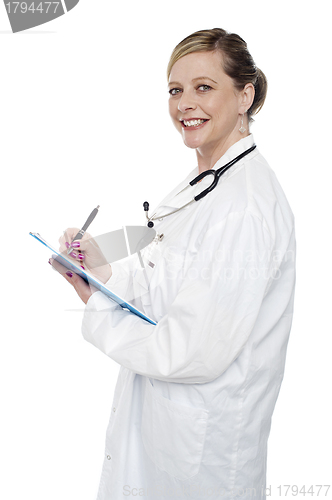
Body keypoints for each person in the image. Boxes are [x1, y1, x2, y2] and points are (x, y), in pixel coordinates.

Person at [50, 28, 296, 500]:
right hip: (166, 438)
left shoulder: (245, 206)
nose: (185, 103)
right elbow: (165, 276)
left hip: (204, 458)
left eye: (204, 87)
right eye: (175, 89)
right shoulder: (207, 184)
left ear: (245, 95)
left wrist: (99, 309)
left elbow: (189, 350)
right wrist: (98, 269)